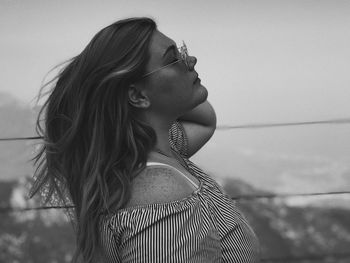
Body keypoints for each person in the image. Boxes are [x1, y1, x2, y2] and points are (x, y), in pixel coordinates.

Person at [28, 17, 260, 262]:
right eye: (174, 58)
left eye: (183, 51)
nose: (191, 60)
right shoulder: (161, 194)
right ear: (137, 95)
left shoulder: (153, 149)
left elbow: (204, 121)